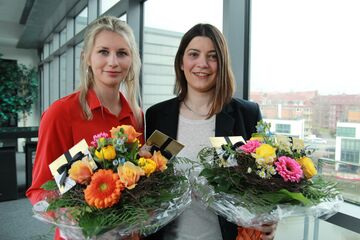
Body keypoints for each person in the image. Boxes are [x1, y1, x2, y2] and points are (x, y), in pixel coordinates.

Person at [145, 23, 277, 240]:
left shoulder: (247, 114)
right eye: (193, 54)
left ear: (222, 63)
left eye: (212, 56)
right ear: (181, 62)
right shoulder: (156, 116)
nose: (202, 64)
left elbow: (268, 179)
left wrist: (270, 218)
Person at [26, 16, 143, 240]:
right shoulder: (60, 114)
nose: (113, 62)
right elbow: (39, 189)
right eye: (103, 52)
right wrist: (74, 220)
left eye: (122, 53)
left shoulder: (137, 117)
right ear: (87, 58)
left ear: (131, 60)